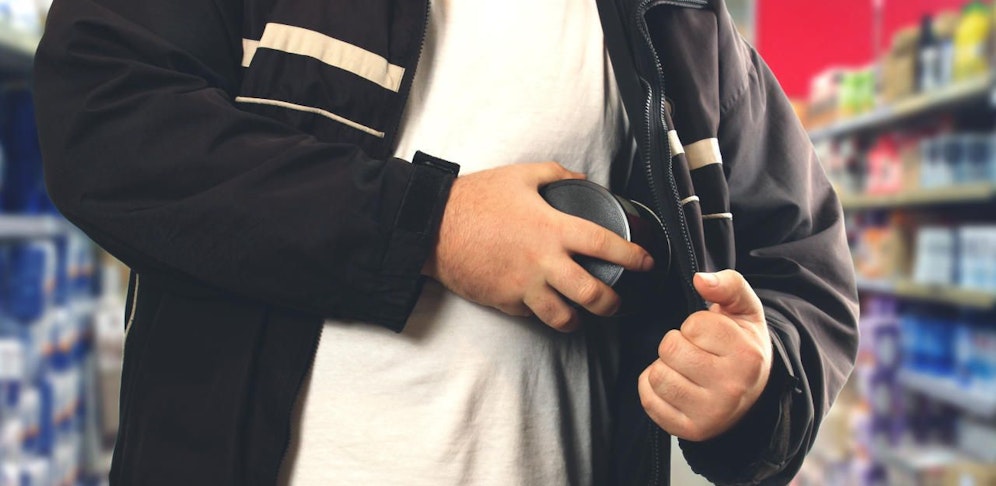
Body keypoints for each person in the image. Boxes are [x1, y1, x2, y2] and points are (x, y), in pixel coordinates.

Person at [32, 0, 859, 484]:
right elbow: (107, 121)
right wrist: (433, 226)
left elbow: (801, 264)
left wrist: (755, 378)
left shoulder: (679, 22)